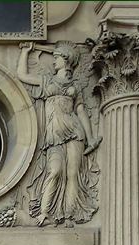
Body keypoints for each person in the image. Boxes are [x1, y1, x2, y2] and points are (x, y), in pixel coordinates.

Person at [18, 42, 101, 226]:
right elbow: (22, 75)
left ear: (66, 59)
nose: (54, 61)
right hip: (55, 135)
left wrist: (90, 138)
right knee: (55, 171)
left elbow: (81, 112)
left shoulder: (76, 86)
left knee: (72, 174)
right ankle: (46, 212)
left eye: (56, 58)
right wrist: (25, 52)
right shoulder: (47, 80)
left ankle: (70, 215)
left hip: (75, 132)